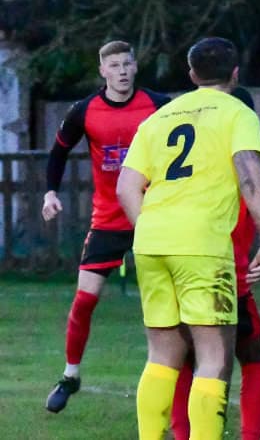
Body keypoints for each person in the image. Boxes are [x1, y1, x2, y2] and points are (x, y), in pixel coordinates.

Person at [116, 37, 260, 440]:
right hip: (202, 244)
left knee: (162, 356)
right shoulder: (237, 112)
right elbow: (248, 169)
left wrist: (152, 229)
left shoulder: (159, 117)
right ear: (235, 74)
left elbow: (126, 186)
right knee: (213, 357)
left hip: (152, 242)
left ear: (191, 75)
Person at [42, 40, 171, 413]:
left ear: (135, 66)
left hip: (153, 216)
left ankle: (183, 378)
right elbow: (58, 152)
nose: (122, 71)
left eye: (127, 64)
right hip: (108, 220)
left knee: (169, 304)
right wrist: (50, 193)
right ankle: (70, 375)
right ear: (102, 71)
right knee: (85, 299)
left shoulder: (159, 105)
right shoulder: (84, 111)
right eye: (114, 65)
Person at [169, 86, 260, 440]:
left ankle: (182, 434)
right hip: (226, 276)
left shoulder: (187, 161)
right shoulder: (258, 164)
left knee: (183, 358)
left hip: (178, 272)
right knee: (251, 357)